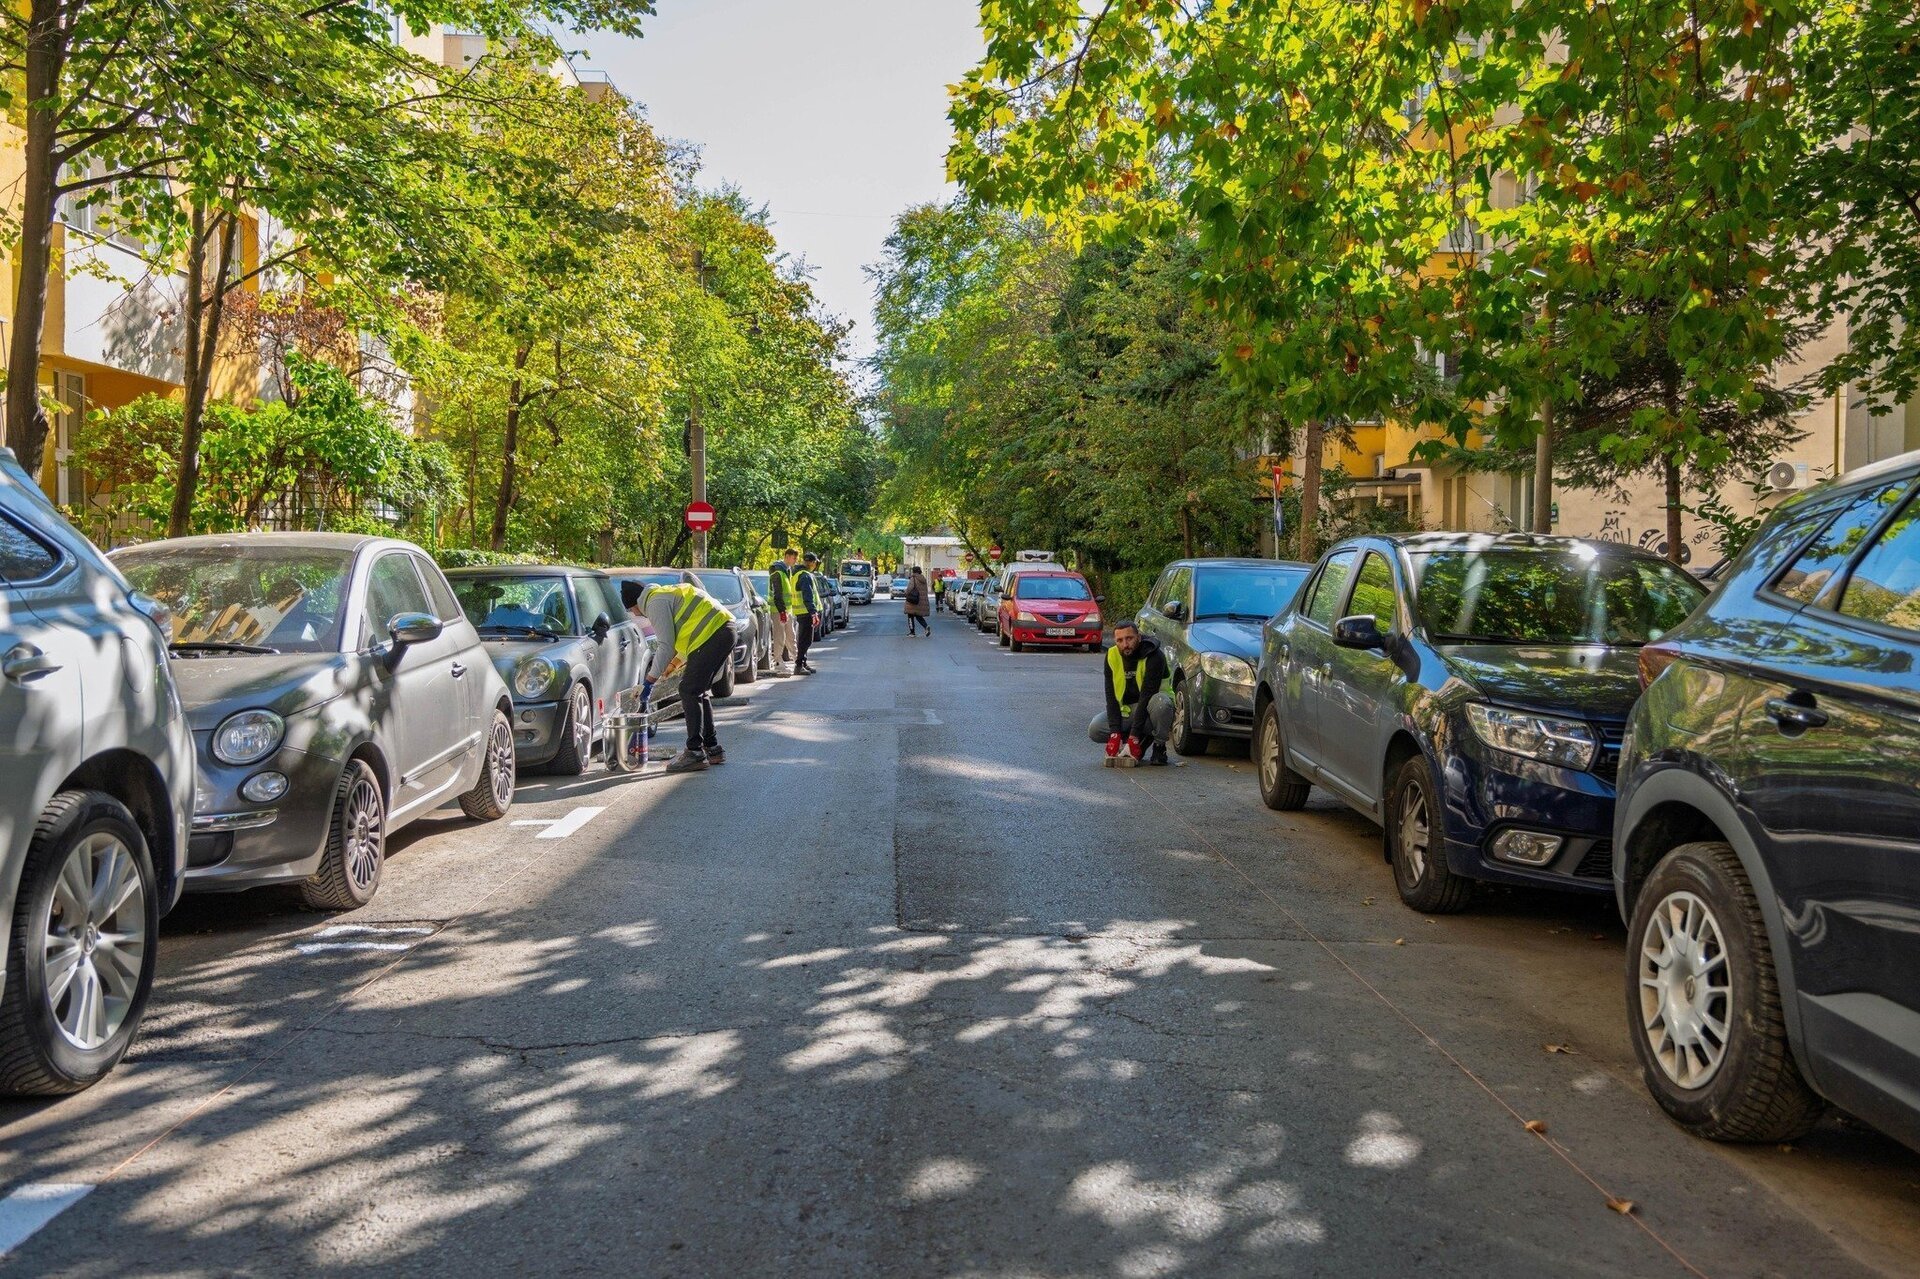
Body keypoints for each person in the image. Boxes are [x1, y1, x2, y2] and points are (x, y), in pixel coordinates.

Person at [623, 577, 736, 773]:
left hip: (714, 634)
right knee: (698, 690)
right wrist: (672, 665)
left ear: (635, 603)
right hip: (724, 630)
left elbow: (666, 646)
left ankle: (694, 752)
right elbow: (690, 633)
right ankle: (712, 748)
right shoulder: (666, 594)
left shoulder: (654, 603)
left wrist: (649, 681)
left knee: (688, 690)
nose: (635, 614)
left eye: (632, 610)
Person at [1089, 620, 1174, 767]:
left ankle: (1159, 746)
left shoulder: (1154, 655)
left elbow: (1147, 696)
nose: (1125, 644)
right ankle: (1133, 740)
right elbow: (1111, 697)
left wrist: (1134, 736)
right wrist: (1115, 733)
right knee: (1095, 728)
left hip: (1152, 710)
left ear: (1138, 637)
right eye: (1120, 640)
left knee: (1161, 703)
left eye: (1129, 638)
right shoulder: (1111, 655)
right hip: (1127, 711)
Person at [767, 554, 798, 677]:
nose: (795, 561)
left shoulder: (786, 572)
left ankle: (797, 659)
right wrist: (782, 611)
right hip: (779, 610)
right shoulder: (778, 573)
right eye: (794, 558)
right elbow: (777, 594)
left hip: (786, 610)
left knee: (791, 635)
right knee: (780, 636)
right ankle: (778, 661)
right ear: (787, 557)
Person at [792, 551, 821, 674]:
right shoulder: (805, 576)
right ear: (813, 563)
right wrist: (813, 612)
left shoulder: (797, 574)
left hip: (802, 611)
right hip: (806, 612)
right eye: (815, 563)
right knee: (805, 640)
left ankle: (803, 662)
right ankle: (799, 665)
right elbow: (807, 596)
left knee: (805, 639)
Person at [904, 566, 931, 636]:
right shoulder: (923, 579)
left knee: (910, 615)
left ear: (913, 571)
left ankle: (912, 632)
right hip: (921, 601)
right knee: (918, 615)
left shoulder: (913, 578)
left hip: (913, 600)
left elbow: (910, 588)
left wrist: (905, 593)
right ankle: (926, 626)